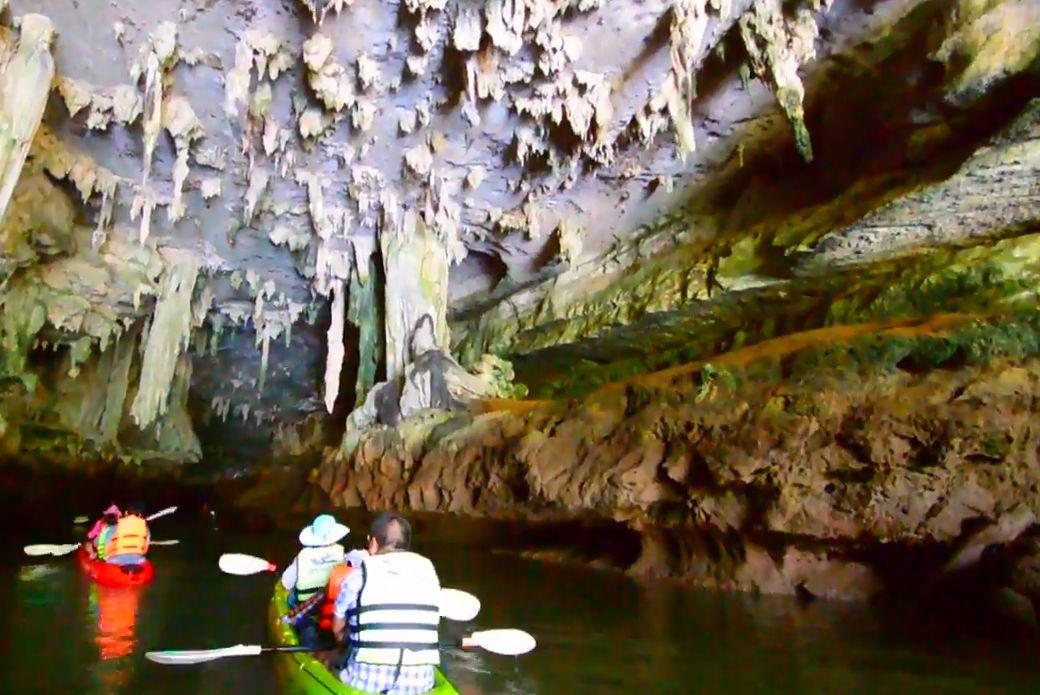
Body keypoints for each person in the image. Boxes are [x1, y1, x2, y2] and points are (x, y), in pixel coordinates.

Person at [332, 512, 441, 695]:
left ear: (372, 543)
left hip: (364, 683)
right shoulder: (429, 573)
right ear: (406, 545)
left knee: (334, 659)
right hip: (421, 685)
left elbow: (337, 630)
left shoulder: (357, 577)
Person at [282, 514, 350, 608]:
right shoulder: (342, 554)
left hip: (306, 603)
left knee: (290, 597)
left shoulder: (303, 556)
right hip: (331, 602)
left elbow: (286, 582)